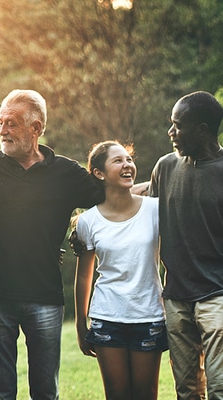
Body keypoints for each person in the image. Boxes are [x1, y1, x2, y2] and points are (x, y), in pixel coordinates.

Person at [0, 89, 102, 400]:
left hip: (45, 297)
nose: (3, 131)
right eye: (0, 122)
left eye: (12, 123)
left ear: (36, 128)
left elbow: (113, 199)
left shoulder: (65, 172)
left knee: (45, 391)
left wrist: (157, 187)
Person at [72, 141, 167, 400]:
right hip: (107, 316)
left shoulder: (155, 210)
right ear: (99, 173)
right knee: (117, 393)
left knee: (146, 393)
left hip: (148, 314)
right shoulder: (88, 221)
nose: (127, 165)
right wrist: (81, 324)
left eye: (129, 160)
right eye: (118, 161)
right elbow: (83, 276)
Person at [149, 91, 223, 400]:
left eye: (178, 126)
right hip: (176, 297)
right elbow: (142, 215)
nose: (171, 133)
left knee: (220, 387)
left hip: (217, 297)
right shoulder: (164, 167)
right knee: (186, 390)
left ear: (202, 130)